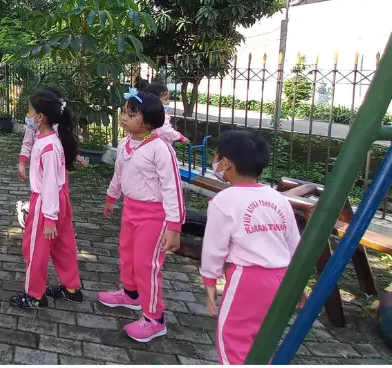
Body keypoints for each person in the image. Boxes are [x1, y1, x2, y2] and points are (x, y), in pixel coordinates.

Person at [200, 130, 303, 365]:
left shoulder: (224, 201)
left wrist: (209, 281)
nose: (214, 163)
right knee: (263, 339)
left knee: (233, 339)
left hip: (248, 280)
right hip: (282, 278)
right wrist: (298, 282)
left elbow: (214, 248)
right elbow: (294, 243)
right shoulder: (278, 198)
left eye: (216, 158)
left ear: (226, 163)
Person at [98, 88, 185, 343]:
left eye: (131, 114)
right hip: (130, 209)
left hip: (154, 215)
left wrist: (174, 225)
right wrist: (111, 197)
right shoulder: (125, 144)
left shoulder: (161, 148)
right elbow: (119, 174)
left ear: (147, 121)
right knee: (127, 254)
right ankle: (130, 293)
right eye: (124, 112)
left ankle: (155, 318)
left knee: (147, 265)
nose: (124, 118)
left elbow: (173, 188)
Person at [10, 90, 82, 309]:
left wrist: (49, 219)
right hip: (57, 199)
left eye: (30, 110)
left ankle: (35, 295)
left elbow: (49, 184)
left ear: (40, 117)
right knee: (62, 245)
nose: (27, 114)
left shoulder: (49, 145)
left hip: (46, 202)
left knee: (35, 249)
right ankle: (71, 288)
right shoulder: (46, 139)